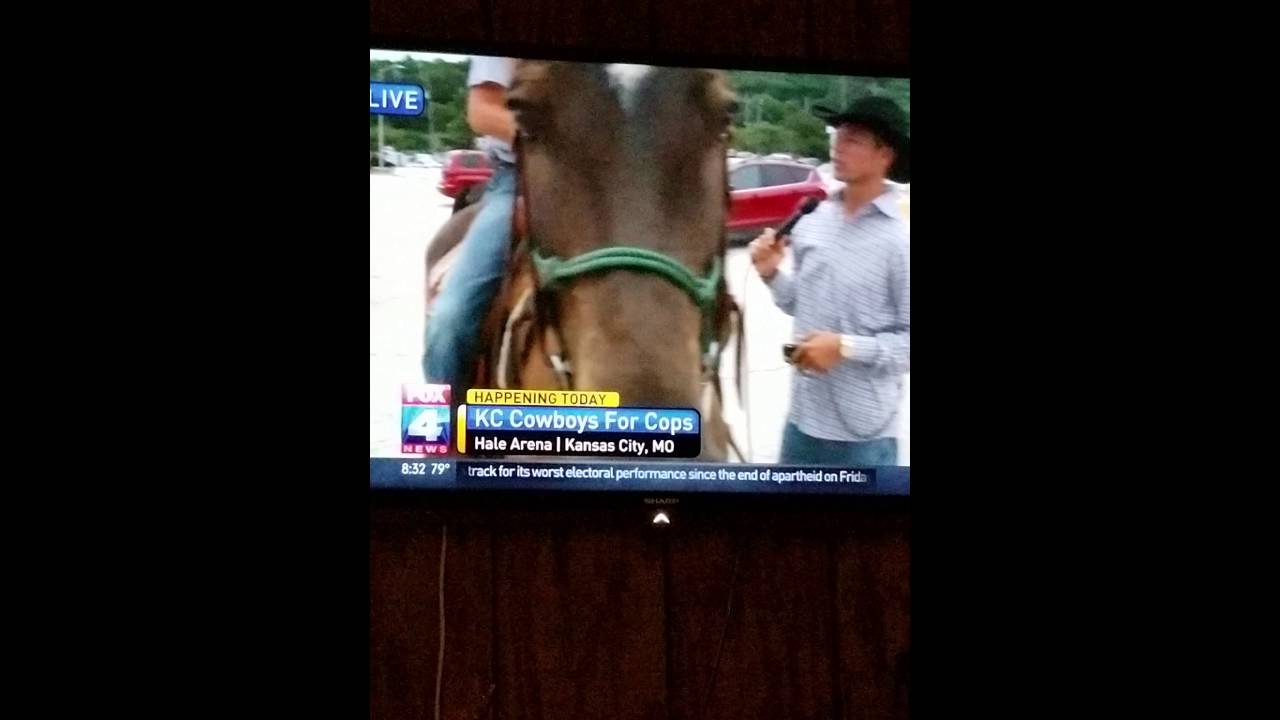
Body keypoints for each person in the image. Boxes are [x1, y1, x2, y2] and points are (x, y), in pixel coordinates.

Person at [748, 96, 910, 466]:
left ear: (885, 155)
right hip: (801, 423)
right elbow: (800, 303)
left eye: (853, 139)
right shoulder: (813, 220)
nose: (837, 146)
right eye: (837, 135)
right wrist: (771, 274)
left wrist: (845, 347)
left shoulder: (900, 242)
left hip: (863, 436)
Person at [423, 56, 519, 391]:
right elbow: (482, 110)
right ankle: (442, 419)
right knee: (449, 320)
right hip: (520, 181)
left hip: (615, 185)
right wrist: (556, 137)